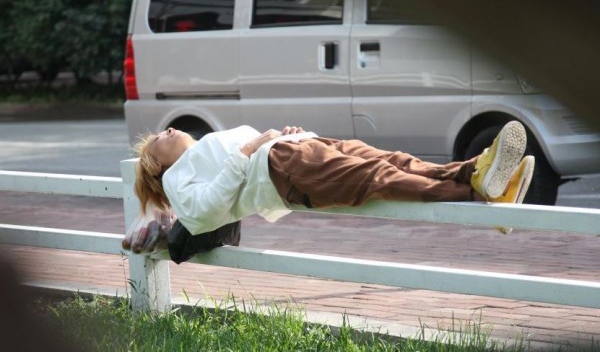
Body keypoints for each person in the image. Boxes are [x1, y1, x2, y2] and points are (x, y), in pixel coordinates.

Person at [132, 121, 534, 242]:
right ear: (157, 168)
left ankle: (478, 173)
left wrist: (286, 134)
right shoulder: (177, 181)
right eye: (157, 141)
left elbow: (251, 153)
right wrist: (251, 147)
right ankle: (479, 191)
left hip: (296, 150)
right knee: (379, 177)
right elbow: (203, 216)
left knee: (392, 160)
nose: (166, 130)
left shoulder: (204, 149)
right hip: (284, 168)